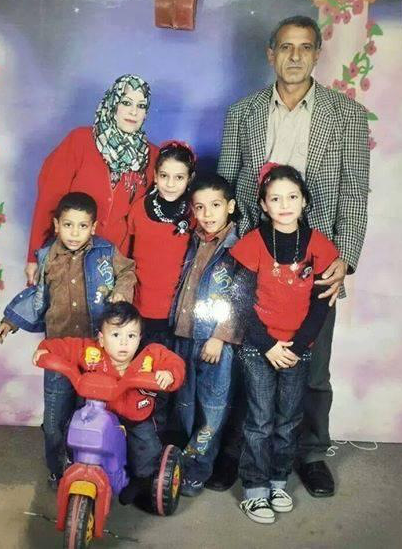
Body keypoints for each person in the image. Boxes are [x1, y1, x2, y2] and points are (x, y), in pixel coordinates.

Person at [213, 15, 370, 496]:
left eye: (305, 47)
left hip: (315, 264)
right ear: (271, 54)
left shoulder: (346, 115)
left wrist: (345, 258)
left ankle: (311, 453)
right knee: (249, 358)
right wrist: (229, 258)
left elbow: (354, 194)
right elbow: (226, 189)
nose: (295, 56)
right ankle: (238, 451)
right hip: (255, 260)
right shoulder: (243, 113)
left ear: (318, 53)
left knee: (312, 364)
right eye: (285, 47)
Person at [0, 192, 137, 487]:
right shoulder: (48, 256)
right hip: (59, 352)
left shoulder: (105, 252)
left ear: (93, 227)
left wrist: (122, 291)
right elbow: (37, 295)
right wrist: (11, 320)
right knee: (54, 420)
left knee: (92, 414)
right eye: (68, 225)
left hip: (96, 351)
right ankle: (58, 469)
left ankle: (92, 465)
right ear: (57, 225)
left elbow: (127, 271)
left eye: (82, 226)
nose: (75, 233)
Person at [230, 163, 339, 523]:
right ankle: (255, 487)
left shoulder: (318, 244)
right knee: (260, 419)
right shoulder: (254, 242)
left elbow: (322, 302)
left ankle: (278, 480)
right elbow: (240, 300)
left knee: (289, 419)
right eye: (275, 199)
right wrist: (267, 344)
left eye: (292, 197)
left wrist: (298, 345)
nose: (285, 204)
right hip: (259, 347)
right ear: (263, 205)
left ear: (304, 200)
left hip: (298, 349)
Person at [32, 302, 185, 503]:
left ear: (140, 338)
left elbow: (173, 362)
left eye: (131, 336)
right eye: (116, 335)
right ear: (102, 339)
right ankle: (76, 466)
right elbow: (66, 346)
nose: (124, 343)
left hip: (135, 419)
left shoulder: (148, 356)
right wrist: (45, 350)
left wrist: (169, 373)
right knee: (72, 434)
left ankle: (139, 480)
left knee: (146, 453)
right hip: (99, 414)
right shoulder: (92, 352)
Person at [25, 74, 158, 286]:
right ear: (113, 103)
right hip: (67, 261)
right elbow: (48, 201)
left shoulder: (152, 157)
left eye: (141, 106)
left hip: (112, 268)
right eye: (126, 102)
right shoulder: (79, 141)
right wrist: (34, 256)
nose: (133, 111)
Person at [171, 174, 242, 497]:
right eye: (199, 207)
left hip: (215, 342)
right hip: (185, 334)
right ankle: (180, 463)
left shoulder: (238, 247)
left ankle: (198, 469)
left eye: (215, 205)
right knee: (184, 405)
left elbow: (241, 297)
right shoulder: (192, 239)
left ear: (231, 206)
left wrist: (220, 336)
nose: (207, 213)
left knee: (212, 408)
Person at [128, 140, 196, 348]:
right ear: (155, 176)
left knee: (170, 363)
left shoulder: (194, 213)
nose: (170, 184)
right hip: (140, 304)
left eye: (179, 177)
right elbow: (126, 254)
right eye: (164, 176)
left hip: (176, 310)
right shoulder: (139, 209)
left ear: (190, 179)